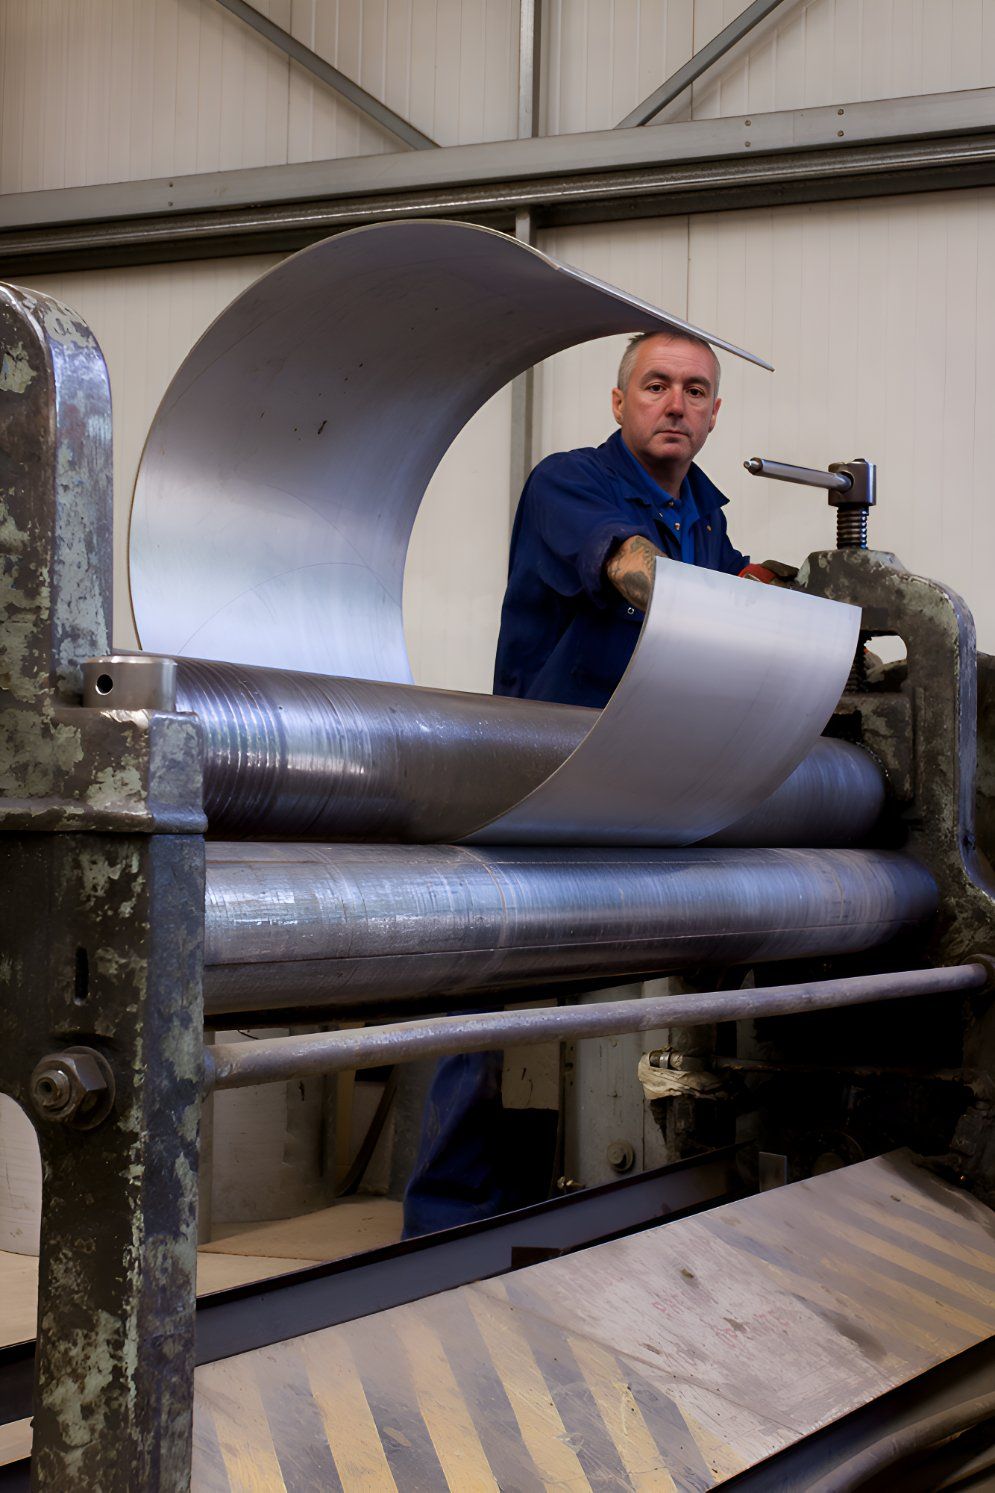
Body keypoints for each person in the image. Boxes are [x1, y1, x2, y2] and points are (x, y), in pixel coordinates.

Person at [402, 329, 772, 1237]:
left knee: (567, 1013)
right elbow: (627, 569)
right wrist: (727, 602)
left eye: (694, 390)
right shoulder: (571, 483)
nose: (675, 403)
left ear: (715, 413)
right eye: (655, 385)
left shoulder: (706, 515)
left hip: (630, 786)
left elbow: (729, 597)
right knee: (497, 1008)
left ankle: (532, 1208)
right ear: (620, 401)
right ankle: (443, 1229)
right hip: (540, 781)